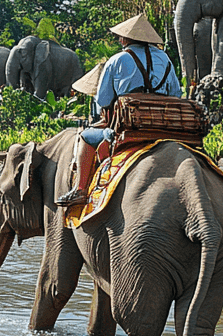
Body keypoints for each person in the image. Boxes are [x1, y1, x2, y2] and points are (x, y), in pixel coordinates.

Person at [55, 14, 181, 207]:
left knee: (85, 137)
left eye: (121, 36)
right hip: (164, 128)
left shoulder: (117, 60)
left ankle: (80, 190)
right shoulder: (165, 59)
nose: (119, 39)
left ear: (126, 38)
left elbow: (103, 102)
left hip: (129, 129)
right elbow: (176, 94)